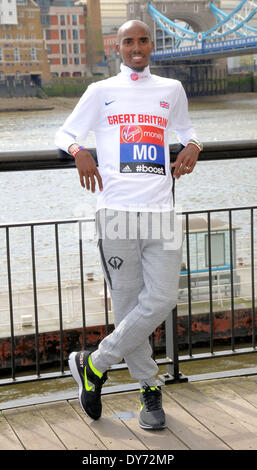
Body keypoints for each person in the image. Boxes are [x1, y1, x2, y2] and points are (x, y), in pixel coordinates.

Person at [55, 19, 202, 431]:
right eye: (128, 42)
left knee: (164, 296)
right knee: (126, 303)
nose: (136, 47)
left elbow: (188, 129)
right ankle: (148, 388)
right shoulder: (100, 92)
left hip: (162, 211)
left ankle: (94, 364)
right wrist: (78, 150)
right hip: (116, 211)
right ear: (116, 47)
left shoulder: (171, 89)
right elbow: (65, 131)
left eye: (142, 40)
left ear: (151, 46)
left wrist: (193, 145)